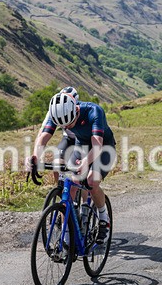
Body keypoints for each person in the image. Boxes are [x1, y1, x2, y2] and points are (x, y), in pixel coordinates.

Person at [29, 92, 116, 243]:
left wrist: (85, 163)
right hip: (81, 145)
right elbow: (43, 137)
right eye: (63, 125)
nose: (67, 128)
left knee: (91, 181)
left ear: (75, 110)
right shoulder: (57, 113)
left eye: (70, 123)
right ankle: (68, 236)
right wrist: (35, 157)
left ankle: (103, 217)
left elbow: (97, 145)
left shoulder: (93, 111)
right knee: (71, 186)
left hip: (103, 147)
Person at [36, 86, 80, 185]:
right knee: (57, 163)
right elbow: (42, 133)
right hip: (68, 138)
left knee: (79, 173)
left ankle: (84, 198)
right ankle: (60, 190)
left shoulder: (78, 110)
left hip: (81, 140)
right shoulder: (54, 110)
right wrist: (38, 155)